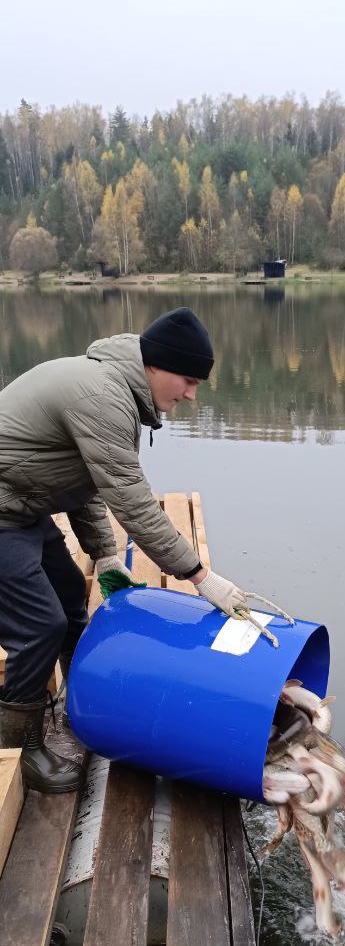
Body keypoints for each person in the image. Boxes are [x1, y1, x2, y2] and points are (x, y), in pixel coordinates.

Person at [0, 307, 284, 793]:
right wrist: (199, 575)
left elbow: (86, 483)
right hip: (6, 509)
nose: (192, 395)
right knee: (38, 625)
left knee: (70, 600)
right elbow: (131, 500)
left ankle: (79, 706)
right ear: (155, 366)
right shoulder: (102, 396)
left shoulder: (114, 391)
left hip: (22, 506)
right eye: (188, 380)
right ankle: (17, 747)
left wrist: (106, 555)